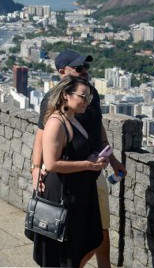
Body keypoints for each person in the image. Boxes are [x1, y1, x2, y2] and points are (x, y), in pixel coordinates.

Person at [31, 49, 127, 268]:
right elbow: (41, 137)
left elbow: (98, 130)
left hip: (93, 171)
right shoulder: (53, 102)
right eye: (79, 68)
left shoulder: (89, 96)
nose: (85, 72)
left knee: (99, 231)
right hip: (71, 176)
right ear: (62, 72)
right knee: (77, 235)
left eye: (86, 67)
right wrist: (36, 168)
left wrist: (113, 160)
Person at [33, 75, 106, 267]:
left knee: (84, 245)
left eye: (89, 97)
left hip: (79, 191)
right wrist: (88, 165)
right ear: (66, 95)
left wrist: (98, 160)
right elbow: (51, 163)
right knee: (63, 252)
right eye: (83, 96)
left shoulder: (74, 119)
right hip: (63, 194)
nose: (87, 102)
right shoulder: (57, 122)